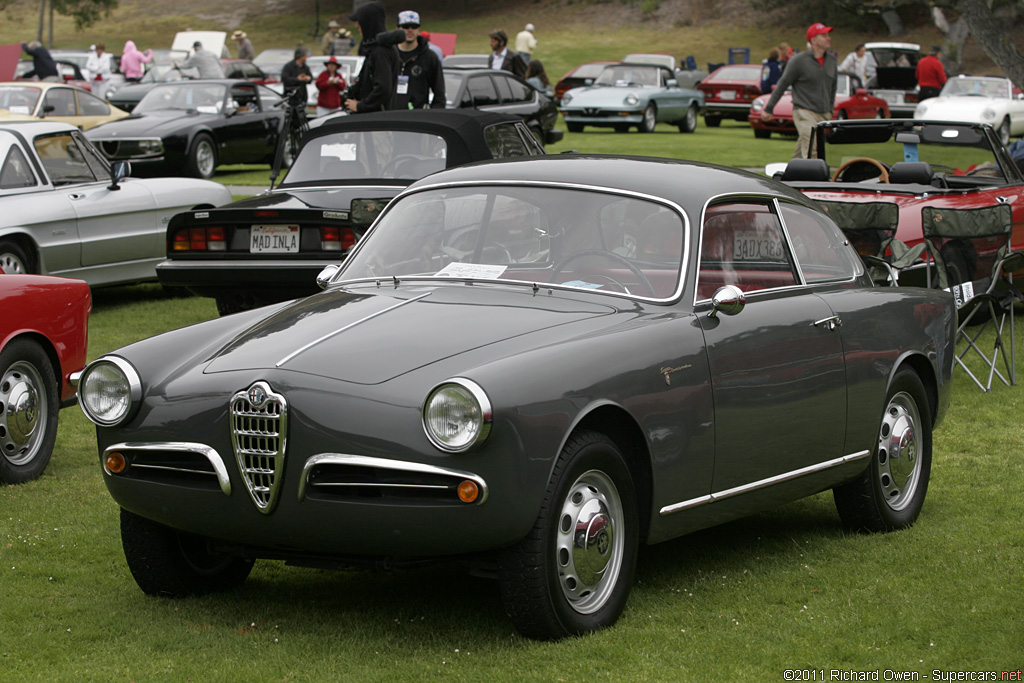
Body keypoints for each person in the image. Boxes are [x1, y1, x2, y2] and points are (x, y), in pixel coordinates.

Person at [761, 22, 837, 159]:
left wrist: (830, 110)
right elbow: (782, 84)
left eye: (828, 35)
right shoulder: (798, 61)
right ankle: (814, 180)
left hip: (824, 114)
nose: (828, 38)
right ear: (813, 40)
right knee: (812, 150)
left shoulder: (832, 60)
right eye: (824, 35)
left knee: (800, 154)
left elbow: (833, 88)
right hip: (804, 112)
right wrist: (769, 108)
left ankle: (789, 178)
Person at [345, 1, 404, 113]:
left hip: (376, 120)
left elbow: (383, 89)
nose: (357, 26)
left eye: (360, 22)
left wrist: (360, 106)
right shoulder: (378, 49)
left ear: (368, 23)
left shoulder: (380, 51)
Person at [394, 10, 445, 109]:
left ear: (419, 29)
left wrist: (434, 115)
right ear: (397, 29)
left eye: (414, 26)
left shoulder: (430, 57)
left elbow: (439, 93)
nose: (410, 30)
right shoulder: (389, 55)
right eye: (405, 26)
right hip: (390, 115)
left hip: (418, 116)